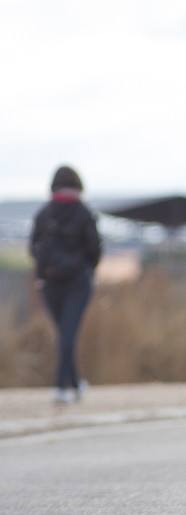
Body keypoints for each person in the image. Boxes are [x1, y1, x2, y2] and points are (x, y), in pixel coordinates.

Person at [29, 165, 102, 405]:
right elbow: (95, 249)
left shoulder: (44, 213)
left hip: (49, 282)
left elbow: (33, 248)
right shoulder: (82, 212)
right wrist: (86, 270)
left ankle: (74, 383)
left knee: (64, 333)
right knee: (67, 335)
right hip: (77, 281)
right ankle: (62, 387)